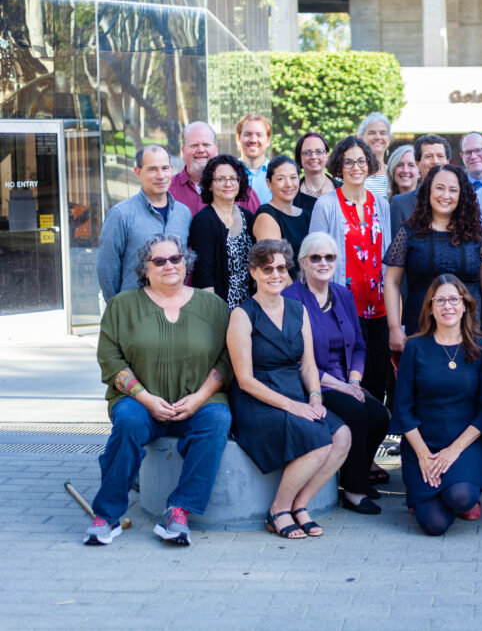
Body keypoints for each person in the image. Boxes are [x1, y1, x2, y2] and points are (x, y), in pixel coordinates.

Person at [86, 234, 231, 546]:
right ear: (145, 268)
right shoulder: (121, 306)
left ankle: (178, 511)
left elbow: (228, 358)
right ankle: (107, 514)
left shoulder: (214, 307)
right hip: (140, 399)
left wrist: (200, 398)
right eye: (159, 261)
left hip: (197, 399)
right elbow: (110, 358)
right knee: (128, 423)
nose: (169, 266)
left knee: (218, 419)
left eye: (176, 259)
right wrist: (147, 399)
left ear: (185, 262)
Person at [227, 239, 352, 539]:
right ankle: (278, 510)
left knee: (343, 435)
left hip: (295, 392)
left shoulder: (298, 310)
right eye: (267, 268)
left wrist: (314, 397)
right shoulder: (242, 315)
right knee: (319, 440)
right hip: (257, 399)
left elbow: (308, 366)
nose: (275, 274)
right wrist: (293, 406)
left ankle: (300, 505)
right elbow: (244, 380)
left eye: (281, 268)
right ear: (253, 272)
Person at [283, 232, 391, 515]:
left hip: (344, 381)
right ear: (302, 262)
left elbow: (358, 345)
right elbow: (295, 358)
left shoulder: (343, 294)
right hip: (310, 384)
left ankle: (360, 471)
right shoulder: (291, 298)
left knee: (380, 416)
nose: (323, 262)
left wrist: (354, 381)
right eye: (315, 257)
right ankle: (353, 490)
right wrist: (344, 388)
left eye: (329, 257)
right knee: (356, 412)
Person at [390, 275, 482, 536]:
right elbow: (402, 409)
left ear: (465, 306)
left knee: (461, 497)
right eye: (440, 301)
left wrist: (452, 452)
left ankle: (457, 489)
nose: (447, 306)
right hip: (423, 442)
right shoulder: (414, 347)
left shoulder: (481, 347)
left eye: (453, 299)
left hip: (466, 443)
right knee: (435, 526)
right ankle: (422, 493)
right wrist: (424, 455)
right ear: (430, 308)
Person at [309, 136, 393, 403]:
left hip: (379, 308)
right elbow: (314, 259)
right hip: (342, 309)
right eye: (348, 162)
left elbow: (389, 256)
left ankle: (373, 443)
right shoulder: (326, 204)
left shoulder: (381, 203)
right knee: (348, 383)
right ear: (339, 167)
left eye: (360, 161)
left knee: (378, 380)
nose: (356, 167)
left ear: (368, 164)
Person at [384, 164, 482, 354]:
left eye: (453, 190)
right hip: (421, 330)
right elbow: (392, 281)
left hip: (470, 331)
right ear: (428, 191)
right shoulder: (409, 232)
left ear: (461, 196)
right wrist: (394, 327)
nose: (445, 195)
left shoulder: (475, 234)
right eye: (439, 188)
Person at [97, 145, 192, 300]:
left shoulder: (183, 213)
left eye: (165, 168)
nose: (160, 175)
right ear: (138, 172)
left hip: (175, 310)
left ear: (172, 170)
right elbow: (107, 269)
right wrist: (118, 308)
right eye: (152, 169)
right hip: (135, 312)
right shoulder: (120, 214)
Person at [188, 155, 255, 309]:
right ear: (210, 185)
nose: (228, 183)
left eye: (233, 178)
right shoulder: (203, 221)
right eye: (220, 179)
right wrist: (215, 314)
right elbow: (203, 274)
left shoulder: (249, 218)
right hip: (220, 307)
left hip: (250, 306)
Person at [169, 121, 260, 216]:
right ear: (184, 151)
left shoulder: (243, 190)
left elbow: (259, 227)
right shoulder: (168, 189)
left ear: (216, 149)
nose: (201, 150)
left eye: (206, 145)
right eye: (194, 145)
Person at [253, 155, 311, 275]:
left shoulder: (305, 215)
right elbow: (276, 269)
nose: (289, 184)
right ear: (269, 183)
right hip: (283, 290)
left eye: (293, 177)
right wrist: (298, 294)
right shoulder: (266, 216)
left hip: (307, 287)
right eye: (280, 179)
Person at [389, 134, 452, 236]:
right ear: (417, 163)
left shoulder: (459, 200)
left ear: (448, 162)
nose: (435, 161)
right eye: (428, 156)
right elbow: (396, 249)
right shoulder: (400, 204)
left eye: (440, 156)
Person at [294, 132, 339, 212]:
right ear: (299, 158)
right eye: (307, 152)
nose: (313, 157)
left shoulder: (343, 190)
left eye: (319, 151)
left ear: (327, 156)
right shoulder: (292, 195)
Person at [236, 114, 272, 205]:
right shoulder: (228, 173)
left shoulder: (278, 173)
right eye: (248, 134)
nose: (253, 140)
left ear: (268, 140)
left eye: (259, 135)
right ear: (238, 138)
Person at [358, 112, 392, 198]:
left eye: (383, 133)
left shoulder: (394, 174)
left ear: (389, 140)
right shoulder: (351, 173)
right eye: (372, 133)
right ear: (361, 138)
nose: (377, 137)